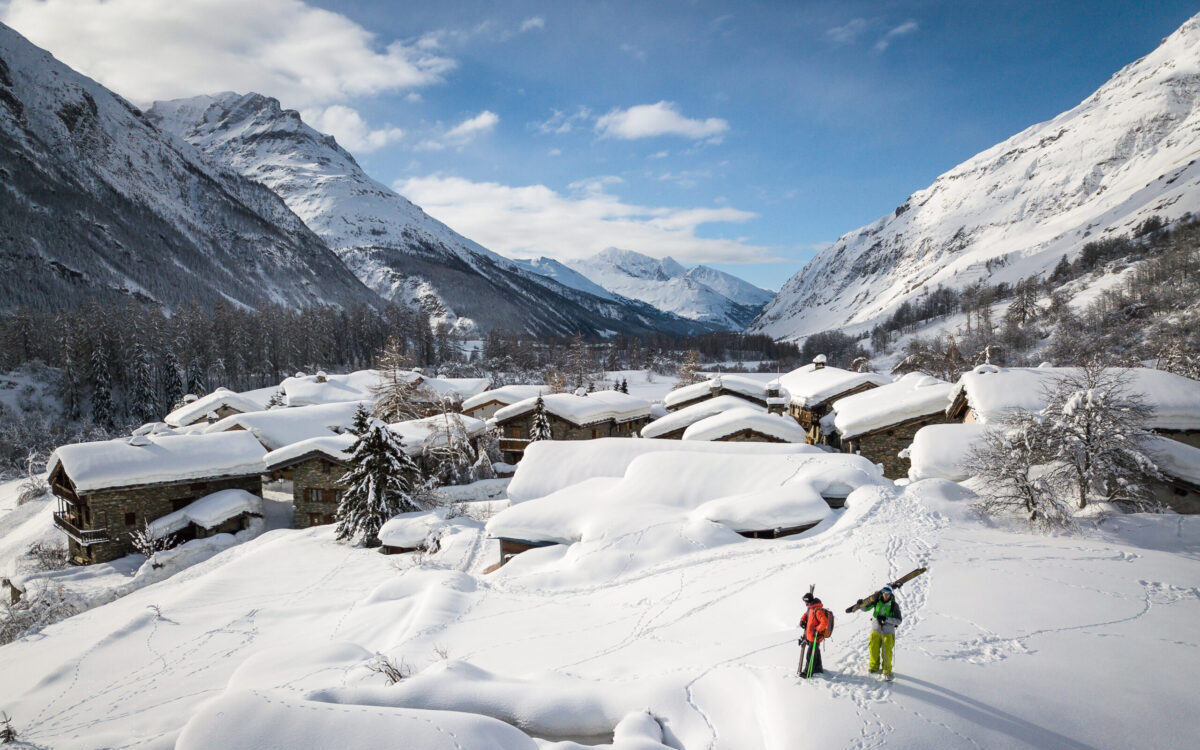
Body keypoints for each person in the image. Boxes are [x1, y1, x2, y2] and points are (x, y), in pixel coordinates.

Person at [868, 585, 903, 681]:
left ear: (891, 594)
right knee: (873, 649)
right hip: (875, 630)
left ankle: (886, 671)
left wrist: (886, 619)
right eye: (884, 593)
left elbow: (899, 621)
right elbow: (864, 609)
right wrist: (861, 603)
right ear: (882, 593)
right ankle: (873, 667)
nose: (886, 595)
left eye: (888, 594)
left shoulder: (894, 605)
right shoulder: (876, 601)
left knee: (886, 652)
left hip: (888, 632)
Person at [797, 592, 830, 678]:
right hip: (811, 636)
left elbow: (825, 622)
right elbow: (806, 615)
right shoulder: (810, 608)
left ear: (808, 601)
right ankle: (818, 668)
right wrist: (802, 620)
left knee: (810, 655)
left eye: (805, 601)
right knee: (816, 652)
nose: (805, 603)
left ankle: (807, 673)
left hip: (815, 636)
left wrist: (817, 629)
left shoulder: (817, 610)